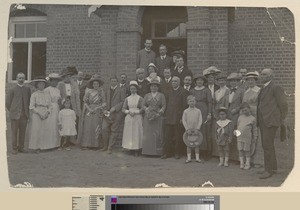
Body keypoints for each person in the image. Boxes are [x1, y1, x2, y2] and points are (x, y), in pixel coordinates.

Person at [257, 68, 288, 179]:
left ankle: (268, 170)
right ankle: (272, 168)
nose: (261, 76)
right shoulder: (263, 88)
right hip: (263, 121)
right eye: (261, 74)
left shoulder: (276, 88)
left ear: (271, 76)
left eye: (264, 74)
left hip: (270, 121)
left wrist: (281, 118)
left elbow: (283, 104)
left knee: (267, 145)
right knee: (267, 145)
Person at [162, 76, 188, 159]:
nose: (173, 83)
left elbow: (184, 105)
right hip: (169, 116)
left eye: (175, 81)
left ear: (179, 82)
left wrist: (181, 117)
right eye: (172, 81)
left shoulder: (183, 91)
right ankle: (167, 153)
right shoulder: (168, 92)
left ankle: (177, 153)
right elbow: (166, 105)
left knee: (178, 136)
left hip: (178, 117)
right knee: (167, 136)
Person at [78, 74, 106, 149]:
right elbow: (85, 102)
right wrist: (89, 109)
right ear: (92, 84)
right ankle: (87, 144)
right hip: (89, 111)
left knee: (96, 126)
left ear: (99, 84)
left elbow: (104, 103)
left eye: (97, 84)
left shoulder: (101, 92)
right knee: (88, 127)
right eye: (94, 84)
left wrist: (98, 107)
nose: (95, 85)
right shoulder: (89, 92)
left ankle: (96, 145)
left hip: (97, 111)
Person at [6, 72, 31, 154]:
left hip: (24, 115)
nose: (21, 80)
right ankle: (14, 148)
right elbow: (8, 103)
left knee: (23, 132)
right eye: (19, 78)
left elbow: (29, 101)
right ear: (16, 79)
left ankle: (21, 147)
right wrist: (13, 110)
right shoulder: (12, 89)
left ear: (24, 79)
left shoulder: (27, 89)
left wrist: (26, 112)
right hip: (15, 115)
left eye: (23, 78)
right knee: (14, 132)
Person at [242, 71, 263, 167]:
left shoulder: (259, 91)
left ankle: (257, 160)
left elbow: (261, 104)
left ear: (256, 81)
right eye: (248, 80)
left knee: (255, 136)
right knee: (247, 136)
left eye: (252, 80)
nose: (250, 82)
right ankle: (247, 159)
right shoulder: (246, 91)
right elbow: (243, 104)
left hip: (256, 114)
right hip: (246, 114)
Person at [101, 76, 127, 154]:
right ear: (110, 82)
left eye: (115, 81)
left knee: (114, 130)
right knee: (104, 129)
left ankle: (110, 147)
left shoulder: (121, 90)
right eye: (112, 81)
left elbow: (123, 101)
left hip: (116, 114)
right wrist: (104, 109)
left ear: (117, 82)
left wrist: (115, 108)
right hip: (107, 113)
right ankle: (105, 146)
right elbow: (104, 101)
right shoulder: (106, 90)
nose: (113, 82)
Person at [142, 77, 166, 156]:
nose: (153, 88)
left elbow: (164, 105)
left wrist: (160, 112)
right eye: (152, 86)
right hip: (148, 117)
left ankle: (157, 153)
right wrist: (147, 109)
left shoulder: (161, 95)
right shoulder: (146, 95)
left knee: (157, 134)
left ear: (158, 87)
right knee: (148, 134)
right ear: (150, 87)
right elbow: (143, 105)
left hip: (157, 117)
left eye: (155, 86)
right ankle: (147, 152)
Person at [190, 73, 212, 157]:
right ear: (195, 82)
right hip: (194, 110)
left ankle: (205, 151)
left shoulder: (206, 90)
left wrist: (209, 113)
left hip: (204, 110)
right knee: (194, 128)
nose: (199, 81)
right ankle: (194, 150)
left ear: (203, 81)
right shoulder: (192, 90)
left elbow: (210, 102)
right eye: (198, 80)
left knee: (203, 129)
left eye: (201, 80)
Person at [28, 77, 52, 153]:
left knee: (45, 129)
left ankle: (44, 146)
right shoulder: (34, 94)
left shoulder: (47, 94)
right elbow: (31, 106)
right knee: (37, 130)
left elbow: (50, 105)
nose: (42, 85)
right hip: (37, 113)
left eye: (43, 84)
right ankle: (36, 147)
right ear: (37, 85)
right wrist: (39, 113)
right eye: (40, 84)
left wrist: (47, 112)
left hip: (45, 112)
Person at [122, 81, 144, 156]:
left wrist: (136, 112)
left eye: (134, 89)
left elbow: (142, 109)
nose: (133, 90)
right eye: (131, 89)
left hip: (137, 117)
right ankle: (130, 148)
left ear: (136, 89)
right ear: (130, 90)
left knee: (136, 133)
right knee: (129, 133)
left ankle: (137, 149)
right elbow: (123, 109)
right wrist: (128, 112)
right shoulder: (127, 98)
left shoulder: (140, 98)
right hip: (129, 117)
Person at [57, 66, 81, 134]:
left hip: (72, 104)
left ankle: (70, 139)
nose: (68, 78)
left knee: (71, 121)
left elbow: (77, 98)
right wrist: (63, 101)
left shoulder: (74, 85)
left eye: (69, 76)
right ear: (64, 77)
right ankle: (63, 138)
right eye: (66, 77)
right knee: (64, 120)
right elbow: (58, 95)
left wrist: (78, 109)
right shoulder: (60, 84)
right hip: (64, 103)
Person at [227, 72, 244, 161]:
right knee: (229, 135)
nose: (233, 83)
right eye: (231, 81)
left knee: (237, 135)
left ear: (238, 82)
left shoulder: (241, 91)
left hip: (236, 116)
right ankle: (230, 156)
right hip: (228, 116)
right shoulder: (228, 91)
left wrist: (236, 110)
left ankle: (238, 158)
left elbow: (243, 103)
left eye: (235, 81)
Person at [237, 102, 258, 170]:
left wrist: (255, 137)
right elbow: (238, 126)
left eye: (246, 110)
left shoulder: (252, 119)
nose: (244, 112)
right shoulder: (240, 117)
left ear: (249, 109)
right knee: (240, 150)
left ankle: (247, 163)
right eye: (243, 111)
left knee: (247, 150)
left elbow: (254, 129)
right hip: (240, 137)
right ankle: (242, 163)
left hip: (247, 138)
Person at [182, 95, 203, 163]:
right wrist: (187, 129)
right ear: (187, 102)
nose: (192, 103)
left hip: (196, 130)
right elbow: (184, 120)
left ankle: (197, 158)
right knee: (188, 144)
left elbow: (200, 120)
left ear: (195, 102)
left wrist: (198, 128)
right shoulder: (186, 111)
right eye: (190, 101)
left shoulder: (198, 111)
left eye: (193, 101)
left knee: (197, 144)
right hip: (189, 130)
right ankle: (189, 158)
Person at [44, 73, 62, 149]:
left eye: (57, 81)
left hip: (56, 108)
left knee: (55, 125)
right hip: (49, 108)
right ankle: (48, 144)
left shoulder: (58, 90)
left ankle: (55, 144)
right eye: (54, 81)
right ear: (50, 81)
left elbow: (59, 99)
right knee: (49, 125)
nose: (56, 83)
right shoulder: (47, 90)